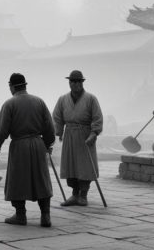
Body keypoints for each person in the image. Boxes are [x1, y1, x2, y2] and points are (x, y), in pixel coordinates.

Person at [0, 73, 55, 227]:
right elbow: (49, 127)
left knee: (17, 180)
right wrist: (47, 144)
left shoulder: (9, 104)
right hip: (38, 144)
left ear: (12, 87)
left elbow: (1, 130)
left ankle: (20, 215)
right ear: (25, 85)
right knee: (41, 179)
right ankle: (45, 215)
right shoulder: (39, 101)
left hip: (19, 146)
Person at [52, 70, 103, 207]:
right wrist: (59, 132)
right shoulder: (63, 99)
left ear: (82, 82)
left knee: (85, 166)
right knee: (71, 165)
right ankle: (74, 194)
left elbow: (97, 118)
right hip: (69, 134)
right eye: (72, 81)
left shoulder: (91, 99)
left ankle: (83, 195)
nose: (74, 84)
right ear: (69, 83)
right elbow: (57, 117)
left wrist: (94, 133)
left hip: (85, 135)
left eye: (77, 81)